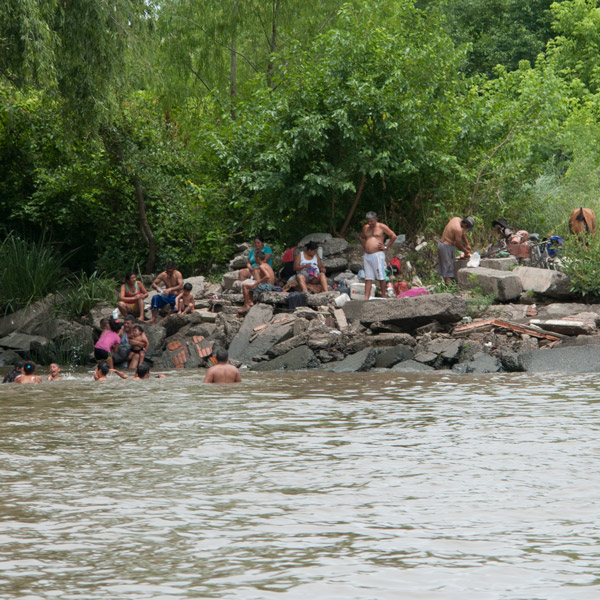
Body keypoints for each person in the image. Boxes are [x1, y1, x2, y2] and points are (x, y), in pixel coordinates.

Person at [359, 211, 397, 299]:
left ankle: (383, 296)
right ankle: (366, 297)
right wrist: (365, 246)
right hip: (367, 255)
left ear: (376, 219)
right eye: (368, 221)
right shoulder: (365, 228)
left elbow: (393, 236)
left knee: (381, 276)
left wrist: (386, 247)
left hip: (378, 254)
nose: (369, 223)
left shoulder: (381, 226)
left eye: (371, 221)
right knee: (368, 277)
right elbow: (361, 237)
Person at [437, 216, 474, 283]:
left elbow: (462, 234)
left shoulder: (456, 219)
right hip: (446, 247)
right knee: (448, 271)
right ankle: (449, 290)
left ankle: (446, 285)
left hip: (442, 245)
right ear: (465, 224)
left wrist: (467, 243)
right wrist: (466, 252)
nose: (466, 229)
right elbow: (458, 245)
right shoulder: (458, 229)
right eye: (467, 228)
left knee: (447, 268)